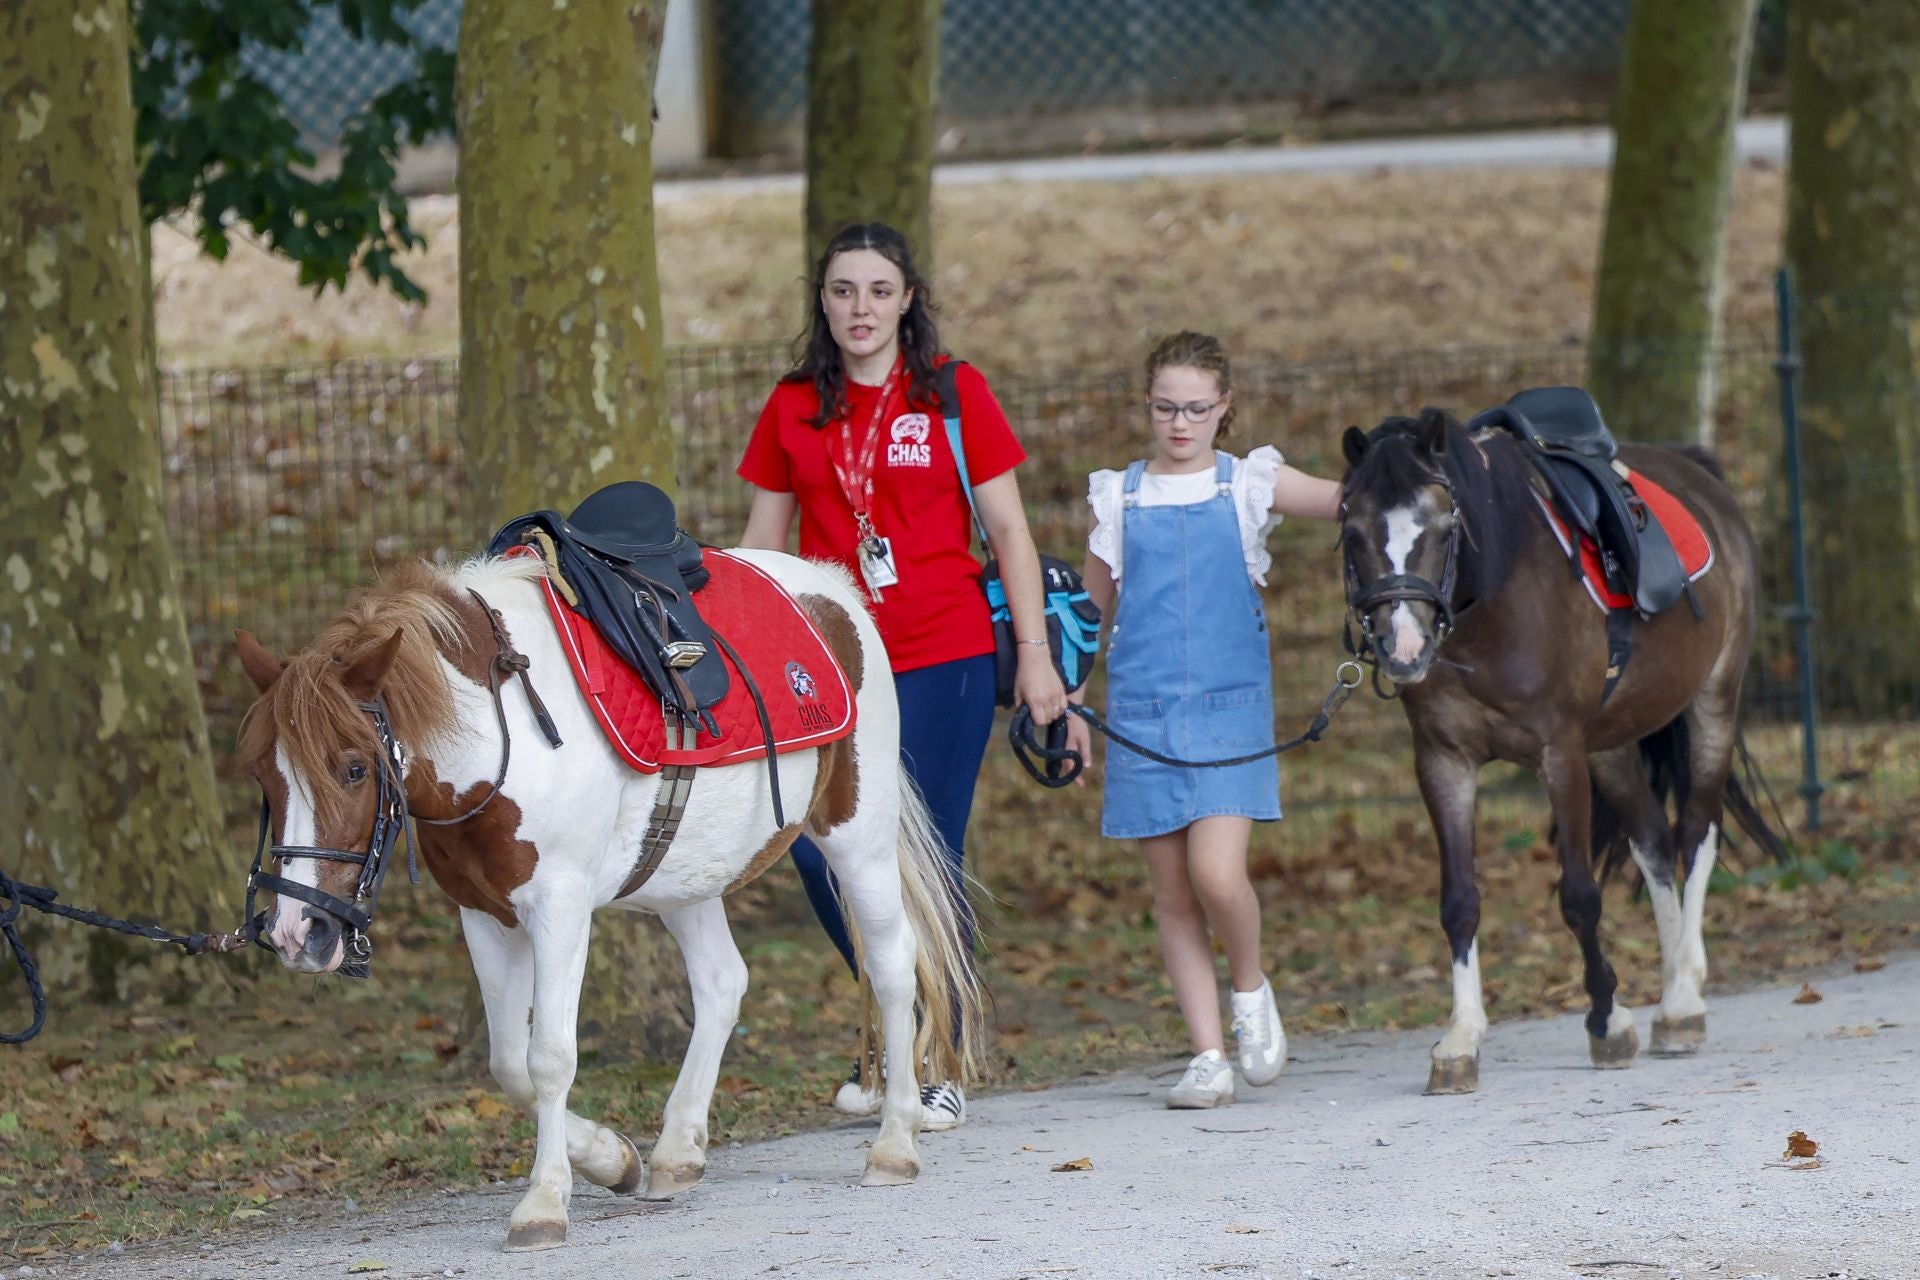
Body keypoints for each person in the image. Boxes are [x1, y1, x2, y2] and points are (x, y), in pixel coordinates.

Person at [737, 222, 1068, 1131]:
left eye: (878, 290)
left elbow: (1009, 534)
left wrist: (1035, 655)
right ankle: (903, 1019)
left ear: (907, 299)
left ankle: (937, 1055)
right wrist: (742, 659)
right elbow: (762, 548)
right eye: (843, 290)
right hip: (832, 664)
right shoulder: (794, 405)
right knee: (814, 849)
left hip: (942, 651)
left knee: (931, 852)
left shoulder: (953, 394)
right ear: (823, 300)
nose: (860, 309)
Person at [1064, 331, 1342, 1109]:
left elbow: (1341, 499)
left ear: (1225, 408)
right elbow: (1090, 615)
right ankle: (1207, 1053)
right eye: (1164, 408)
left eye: (1195, 409)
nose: (1179, 424)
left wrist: (1408, 473)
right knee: (1174, 894)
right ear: (1146, 406)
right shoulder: (1116, 496)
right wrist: (1073, 702)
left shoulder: (1248, 484)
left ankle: (1250, 993)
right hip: (1143, 717)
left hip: (1229, 715)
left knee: (1217, 874)